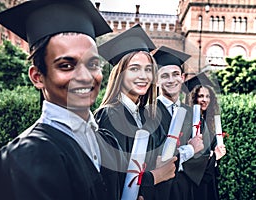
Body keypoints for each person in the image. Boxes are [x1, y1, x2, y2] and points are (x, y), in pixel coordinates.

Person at [0, 0, 126, 199]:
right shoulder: (25, 157)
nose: (85, 77)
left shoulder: (106, 141)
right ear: (37, 77)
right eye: (66, 65)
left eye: (92, 63)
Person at [95, 24, 177, 199]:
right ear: (120, 74)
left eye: (148, 69)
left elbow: (165, 161)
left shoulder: (148, 116)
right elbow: (112, 177)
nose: (143, 76)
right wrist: (155, 176)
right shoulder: (109, 115)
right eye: (134, 69)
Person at [153, 46, 204, 200]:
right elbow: (155, 159)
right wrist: (190, 150)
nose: (171, 80)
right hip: (159, 191)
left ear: (182, 78)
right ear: (156, 81)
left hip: (188, 189)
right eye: (165, 75)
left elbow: (203, 152)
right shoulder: (148, 113)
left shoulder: (193, 114)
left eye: (175, 74)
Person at [188, 83, 227, 200]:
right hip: (194, 175)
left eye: (207, 96)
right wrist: (212, 156)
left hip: (209, 173)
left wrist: (217, 153)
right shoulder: (188, 121)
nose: (204, 100)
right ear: (195, 99)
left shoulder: (210, 121)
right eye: (200, 96)